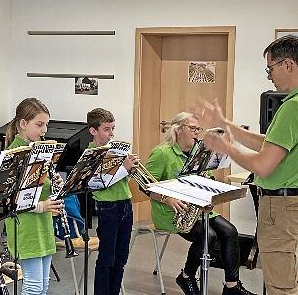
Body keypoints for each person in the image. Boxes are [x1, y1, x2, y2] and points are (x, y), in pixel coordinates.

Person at [195, 35, 298, 294]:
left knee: (280, 287)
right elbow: (272, 143)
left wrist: (227, 147)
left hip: (282, 209)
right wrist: (227, 126)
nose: (269, 76)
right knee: (295, 283)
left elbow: (264, 165)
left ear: (287, 64)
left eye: (270, 68)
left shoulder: (294, 106)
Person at [145, 112, 255, 295]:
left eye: (198, 129)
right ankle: (187, 276)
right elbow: (145, 185)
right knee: (208, 237)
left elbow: (207, 178)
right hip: (171, 211)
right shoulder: (162, 153)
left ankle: (232, 286)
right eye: (192, 128)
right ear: (178, 129)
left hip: (198, 209)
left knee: (230, 231)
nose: (197, 133)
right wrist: (169, 199)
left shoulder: (199, 153)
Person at [4, 97, 63, 295]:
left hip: (42, 224)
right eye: (39, 125)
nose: (44, 130)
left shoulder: (38, 151)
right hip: (25, 225)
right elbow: (10, 200)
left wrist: (55, 185)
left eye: (46, 124)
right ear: (23, 124)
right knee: (33, 286)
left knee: (43, 285)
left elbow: (40, 188)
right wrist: (43, 206)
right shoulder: (15, 154)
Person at [86, 108, 138, 295]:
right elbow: (99, 183)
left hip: (125, 203)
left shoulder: (113, 150)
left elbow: (120, 180)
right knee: (107, 259)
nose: (112, 134)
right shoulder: (91, 154)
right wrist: (123, 168)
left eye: (113, 128)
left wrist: (129, 171)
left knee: (121, 258)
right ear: (93, 131)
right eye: (107, 129)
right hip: (108, 206)